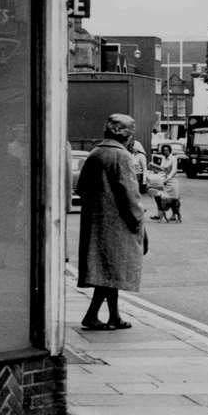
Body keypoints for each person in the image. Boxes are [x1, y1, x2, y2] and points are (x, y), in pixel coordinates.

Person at [76, 114, 148, 330]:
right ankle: (91, 316)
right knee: (109, 272)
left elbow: (80, 188)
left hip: (95, 222)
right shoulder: (122, 156)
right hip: (118, 224)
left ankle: (114, 316)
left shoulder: (95, 153)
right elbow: (130, 195)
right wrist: (138, 222)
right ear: (127, 136)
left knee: (109, 270)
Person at [153, 144, 182, 222]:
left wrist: (168, 178)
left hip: (172, 181)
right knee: (161, 197)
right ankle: (160, 214)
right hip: (164, 181)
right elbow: (162, 169)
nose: (165, 152)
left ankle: (174, 215)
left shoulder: (173, 159)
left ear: (170, 150)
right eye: (164, 150)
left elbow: (174, 170)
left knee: (174, 199)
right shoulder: (163, 158)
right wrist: (156, 171)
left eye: (167, 150)